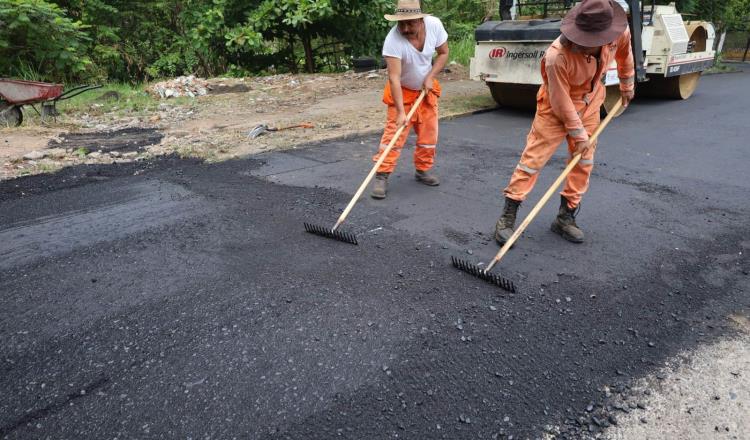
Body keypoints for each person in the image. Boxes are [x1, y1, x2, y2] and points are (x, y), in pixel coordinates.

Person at [494, 0, 635, 244]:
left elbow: (625, 55)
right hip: (555, 107)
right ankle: (507, 217)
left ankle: (565, 217)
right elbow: (561, 102)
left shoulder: (618, 33)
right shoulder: (556, 56)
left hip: (590, 103)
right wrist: (579, 136)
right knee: (532, 161)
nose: (582, 46)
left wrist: (627, 84)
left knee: (584, 161)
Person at [371, 0, 449, 199]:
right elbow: (394, 78)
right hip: (402, 92)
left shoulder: (434, 26)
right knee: (394, 135)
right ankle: (382, 175)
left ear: (421, 20)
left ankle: (422, 170)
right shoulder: (393, 41)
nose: (405, 28)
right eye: (401, 24)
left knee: (428, 136)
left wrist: (430, 76)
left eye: (410, 23)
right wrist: (400, 112)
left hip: (425, 91)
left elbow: (443, 53)